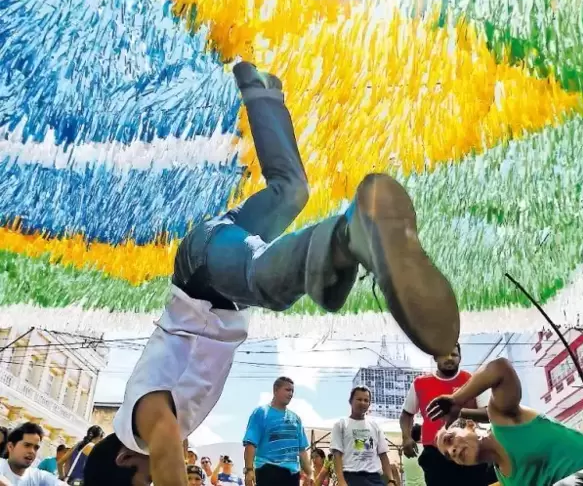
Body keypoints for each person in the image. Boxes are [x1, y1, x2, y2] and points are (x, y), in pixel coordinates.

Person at [84, 60, 459, 486]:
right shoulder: (149, 424)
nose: (153, 480)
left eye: (144, 484)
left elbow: (167, 443)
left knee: (266, 281)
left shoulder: (138, 427)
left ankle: (345, 235)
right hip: (215, 257)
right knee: (291, 190)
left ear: (122, 462)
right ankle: (261, 91)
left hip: (204, 278)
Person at [426, 357, 583, 485]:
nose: (453, 450)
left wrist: (458, 400)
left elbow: (500, 369)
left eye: (449, 440)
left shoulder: (505, 420)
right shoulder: (507, 480)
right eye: (448, 454)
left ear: (470, 426)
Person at [399, 343, 491, 486]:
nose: (449, 358)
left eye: (454, 355)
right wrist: (406, 437)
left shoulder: (473, 381)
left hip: (469, 451)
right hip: (435, 455)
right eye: (444, 354)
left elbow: (488, 413)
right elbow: (406, 414)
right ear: (435, 357)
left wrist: (461, 413)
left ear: (460, 358)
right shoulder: (420, 383)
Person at [243, 377, 312, 486]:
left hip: (292, 474)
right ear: (275, 390)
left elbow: (302, 450)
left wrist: (309, 474)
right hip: (267, 470)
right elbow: (251, 443)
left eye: (292, 391)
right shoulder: (261, 412)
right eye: (287, 390)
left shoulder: (296, 419)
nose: (291, 394)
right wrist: (249, 470)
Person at [330, 386, 396, 486]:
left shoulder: (375, 426)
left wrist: (391, 480)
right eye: (359, 399)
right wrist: (341, 481)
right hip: (351, 478)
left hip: (374, 478)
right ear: (350, 401)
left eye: (366, 400)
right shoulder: (341, 424)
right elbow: (337, 455)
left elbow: (383, 455)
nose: (363, 403)